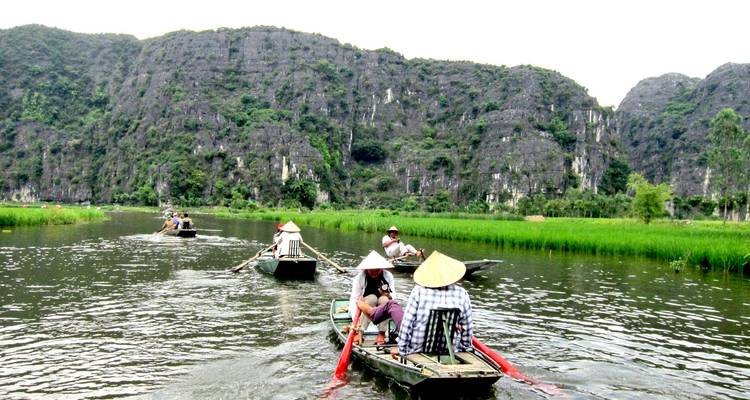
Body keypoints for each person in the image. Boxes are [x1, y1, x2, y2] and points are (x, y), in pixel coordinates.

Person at [394, 251, 473, 359]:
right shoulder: (462, 294)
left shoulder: (418, 291)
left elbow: (407, 325)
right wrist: (464, 349)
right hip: (449, 350)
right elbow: (467, 328)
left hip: (418, 349)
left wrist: (402, 350)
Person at [349, 250, 396, 345]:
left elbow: (393, 296)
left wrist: (389, 296)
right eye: (372, 270)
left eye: (377, 270)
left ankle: (382, 333)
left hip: (382, 304)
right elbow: (355, 300)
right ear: (366, 269)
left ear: (381, 268)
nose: (374, 272)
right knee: (372, 298)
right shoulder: (360, 278)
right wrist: (355, 322)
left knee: (385, 300)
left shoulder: (388, 276)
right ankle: (360, 331)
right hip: (367, 305)